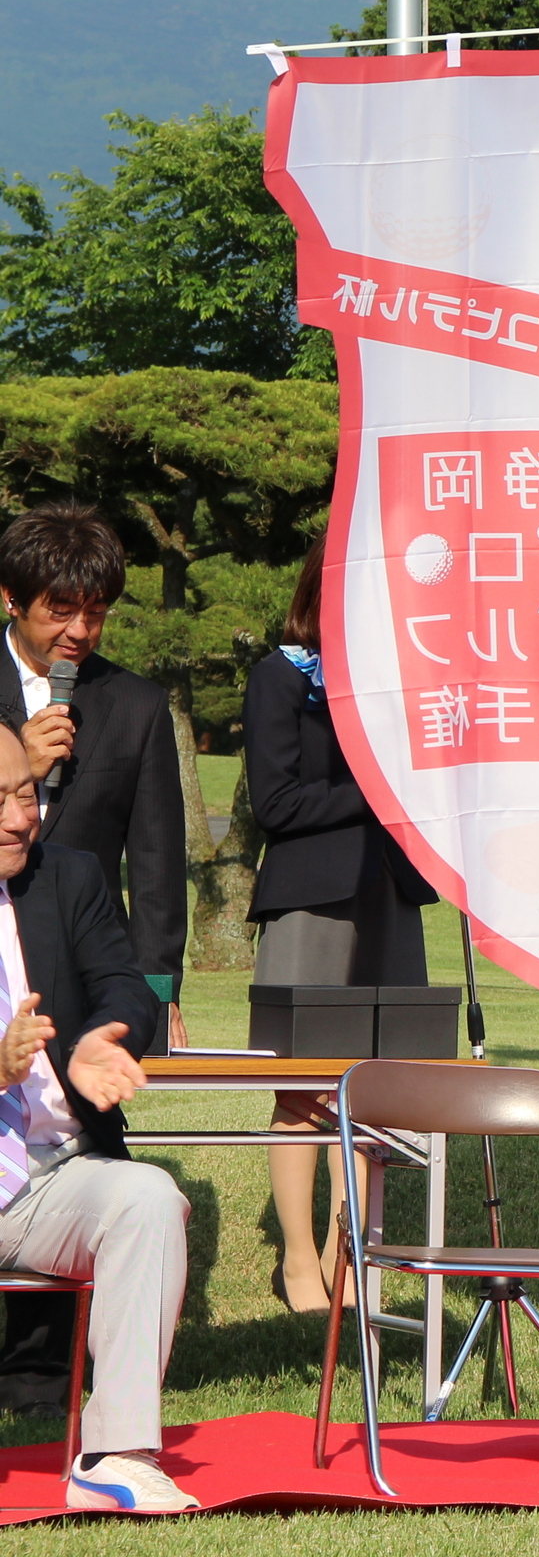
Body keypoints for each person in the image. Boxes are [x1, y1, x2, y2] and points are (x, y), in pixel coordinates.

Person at [0, 505, 182, 1413]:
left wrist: (155, 989)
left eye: (96, 612)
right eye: (58, 609)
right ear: (11, 598)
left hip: (82, 946)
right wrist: (20, 765)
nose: (78, 629)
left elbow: (155, 856)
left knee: (79, 1138)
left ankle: (47, 1380)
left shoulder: (135, 703)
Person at [0, 713, 194, 1511]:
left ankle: (113, 1453)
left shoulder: (67, 877)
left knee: (147, 1195)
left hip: (44, 1179)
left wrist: (99, 1039)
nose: (20, 817)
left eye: (26, 792)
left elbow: (122, 982)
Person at [244, 539, 436, 1314]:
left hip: (389, 895)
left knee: (375, 1089)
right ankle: (296, 1263)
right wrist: (374, 784)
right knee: (301, 1085)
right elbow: (278, 804)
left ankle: (350, 1254)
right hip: (311, 898)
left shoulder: (403, 686)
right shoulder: (282, 676)